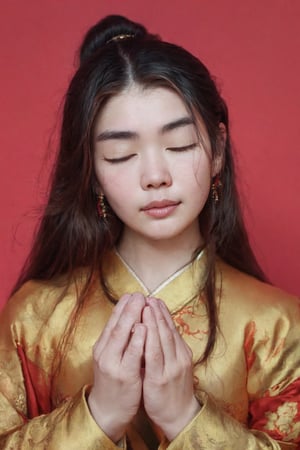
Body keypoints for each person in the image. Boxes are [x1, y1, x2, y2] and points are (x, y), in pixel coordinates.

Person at [0, 14, 299, 450]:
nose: (155, 176)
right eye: (121, 154)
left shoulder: (278, 326)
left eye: (179, 146)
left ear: (217, 151)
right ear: (93, 172)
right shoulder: (33, 318)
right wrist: (99, 415)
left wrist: (185, 418)